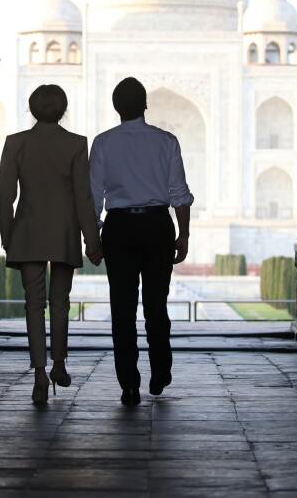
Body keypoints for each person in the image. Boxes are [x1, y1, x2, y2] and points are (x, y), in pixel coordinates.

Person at [89, 77, 194, 406]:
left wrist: (92, 238)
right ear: (145, 105)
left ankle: (129, 385)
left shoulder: (104, 143)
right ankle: (160, 372)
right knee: (155, 306)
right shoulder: (166, 142)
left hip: (119, 227)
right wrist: (184, 234)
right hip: (157, 226)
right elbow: (179, 195)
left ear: (116, 107)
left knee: (122, 309)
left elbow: (93, 198)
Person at [0, 84, 103, 405]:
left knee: (33, 303)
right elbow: (83, 198)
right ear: (63, 110)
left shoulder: (16, 143)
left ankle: (39, 374)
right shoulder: (75, 144)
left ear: (32, 109)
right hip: (63, 232)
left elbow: (5, 195)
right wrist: (92, 240)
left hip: (28, 232)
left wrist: (7, 235)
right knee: (60, 302)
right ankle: (59, 364)